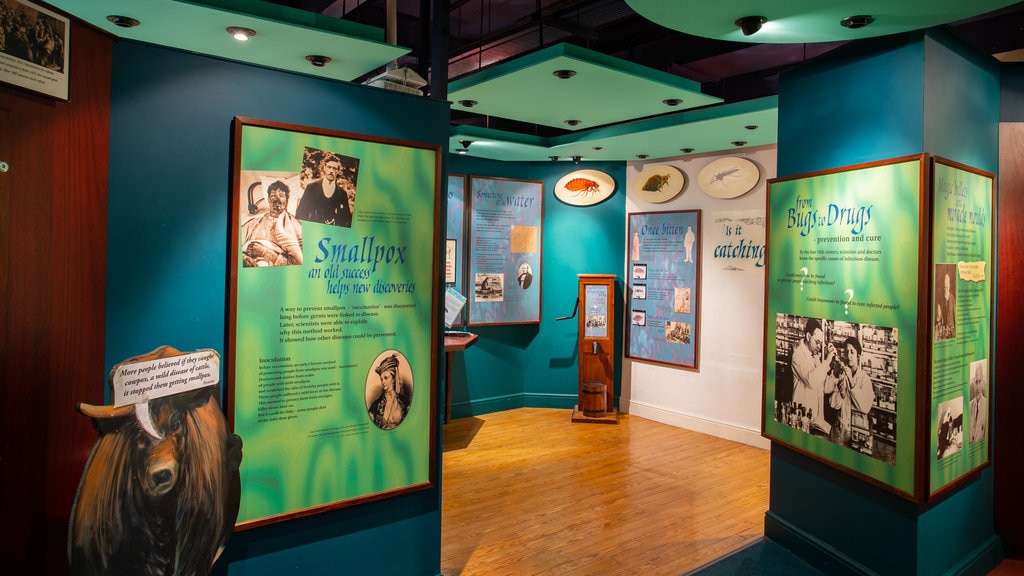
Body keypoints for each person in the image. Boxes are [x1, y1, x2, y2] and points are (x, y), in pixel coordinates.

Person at [790, 318, 838, 436]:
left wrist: (834, 372)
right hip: (802, 418)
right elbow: (811, 381)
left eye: (820, 343)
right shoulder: (798, 356)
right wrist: (826, 362)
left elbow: (825, 388)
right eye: (817, 342)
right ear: (808, 336)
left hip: (816, 421)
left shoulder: (814, 356)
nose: (819, 346)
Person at [240, 180, 303, 266]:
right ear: (269, 200)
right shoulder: (256, 221)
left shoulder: (294, 225)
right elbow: (236, 243)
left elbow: (299, 262)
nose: (276, 199)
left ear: (286, 200)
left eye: (281, 195)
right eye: (273, 195)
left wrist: (265, 253)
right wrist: (244, 258)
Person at [828, 336, 875, 446]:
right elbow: (833, 404)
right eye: (846, 352)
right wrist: (841, 393)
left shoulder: (865, 379)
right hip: (840, 428)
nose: (849, 356)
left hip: (858, 434)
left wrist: (851, 382)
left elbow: (865, 407)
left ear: (858, 356)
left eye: (852, 352)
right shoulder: (841, 374)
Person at [296, 153, 353, 227]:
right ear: (325, 168)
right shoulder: (311, 188)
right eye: (329, 167)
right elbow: (301, 213)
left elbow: (346, 220)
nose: (331, 171)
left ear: (338, 171)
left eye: (334, 168)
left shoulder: (342, 194)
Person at [368, 354, 410, 430]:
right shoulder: (375, 405)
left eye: (386, 378)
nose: (383, 382)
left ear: (393, 379)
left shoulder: (404, 402)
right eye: (381, 379)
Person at [969, 365, 988, 443]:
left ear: (983, 382)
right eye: (976, 382)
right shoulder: (970, 405)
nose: (978, 386)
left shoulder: (987, 404)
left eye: (980, 381)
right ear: (973, 383)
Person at [936, 271, 956, 340]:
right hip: (944, 332)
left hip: (951, 332)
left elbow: (955, 315)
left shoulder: (952, 298)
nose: (946, 287)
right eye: (945, 286)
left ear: (949, 285)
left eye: (947, 284)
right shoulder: (940, 300)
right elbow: (938, 318)